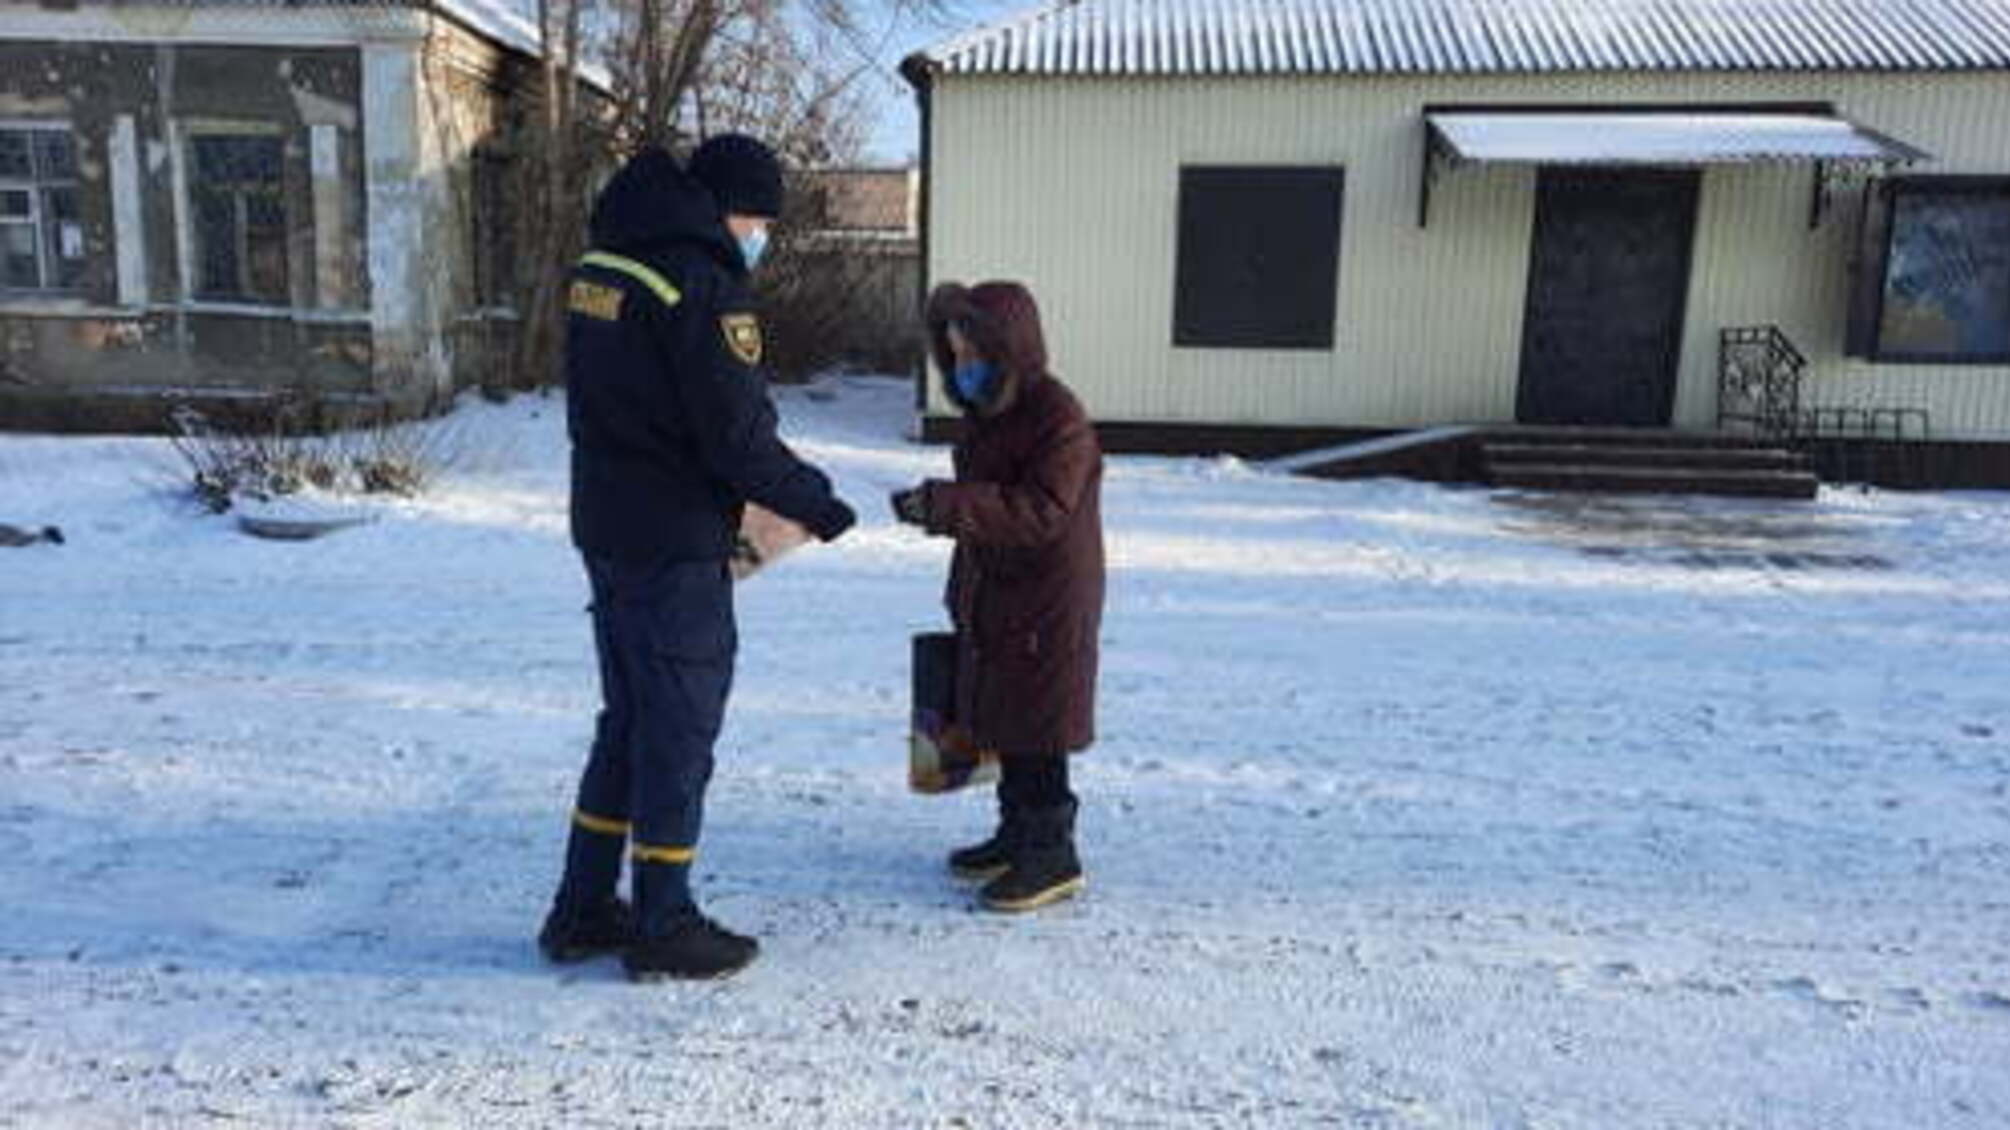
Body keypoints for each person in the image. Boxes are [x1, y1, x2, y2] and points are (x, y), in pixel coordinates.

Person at [539, 135, 857, 981]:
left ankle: (582, 906)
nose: (762, 237)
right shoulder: (700, 285)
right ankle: (663, 921)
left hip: (607, 528)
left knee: (631, 720)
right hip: (675, 543)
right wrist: (817, 501)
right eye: (761, 220)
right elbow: (737, 436)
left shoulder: (607, 263)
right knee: (677, 727)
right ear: (731, 210)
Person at [891, 281, 1105, 913]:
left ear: (1010, 349)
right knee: (1007, 715)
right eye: (953, 354)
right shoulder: (989, 417)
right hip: (998, 589)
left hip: (1047, 597)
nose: (964, 367)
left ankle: (1051, 853)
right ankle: (1016, 834)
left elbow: (1043, 509)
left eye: (974, 352)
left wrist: (945, 505)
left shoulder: (1058, 416)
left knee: (1038, 724)